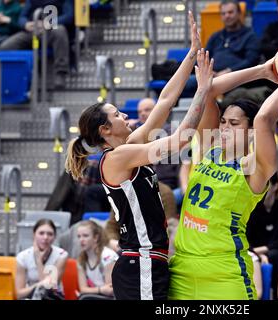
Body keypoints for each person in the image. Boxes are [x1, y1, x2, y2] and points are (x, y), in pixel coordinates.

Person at [65, 12, 213, 300]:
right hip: (140, 262)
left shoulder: (128, 146)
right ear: (106, 129)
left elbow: (166, 100)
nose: (124, 114)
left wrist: (191, 54)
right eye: (117, 114)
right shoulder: (119, 158)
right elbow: (181, 138)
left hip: (146, 262)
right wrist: (203, 91)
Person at [169, 49, 278, 299]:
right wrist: (264, 70)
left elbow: (264, 119)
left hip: (224, 272)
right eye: (223, 122)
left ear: (250, 133)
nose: (225, 128)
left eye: (235, 123)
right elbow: (210, 89)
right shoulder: (207, 147)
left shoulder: (254, 167)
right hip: (183, 268)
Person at [184, 0, 260, 95]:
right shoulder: (215, 36)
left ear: (239, 13)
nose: (227, 16)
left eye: (230, 12)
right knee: (184, 82)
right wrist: (209, 72)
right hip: (210, 76)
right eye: (223, 13)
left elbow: (251, 61)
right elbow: (204, 58)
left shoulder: (250, 36)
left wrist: (228, 71)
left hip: (235, 78)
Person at [0, 0, 74, 89]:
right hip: (32, 30)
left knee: (60, 31)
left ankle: (60, 73)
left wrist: (48, 23)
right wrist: (25, 24)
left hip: (51, 29)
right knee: (6, 47)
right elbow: (22, 17)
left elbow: (69, 16)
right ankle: (14, 80)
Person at [15, 219, 68, 300]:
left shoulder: (61, 255)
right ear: (34, 234)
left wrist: (38, 260)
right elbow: (19, 294)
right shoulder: (22, 257)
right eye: (41, 233)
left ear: (54, 237)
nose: (45, 237)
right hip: (30, 296)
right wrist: (38, 285)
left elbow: (48, 288)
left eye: (50, 234)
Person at [76, 220, 118, 300]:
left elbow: (110, 290)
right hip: (97, 295)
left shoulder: (108, 256)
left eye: (85, 236)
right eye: (79, 236)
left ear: (96, 237)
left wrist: (93, 291)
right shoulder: (81, 259)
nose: (81, 240)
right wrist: (100, 289)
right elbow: (83, 289)